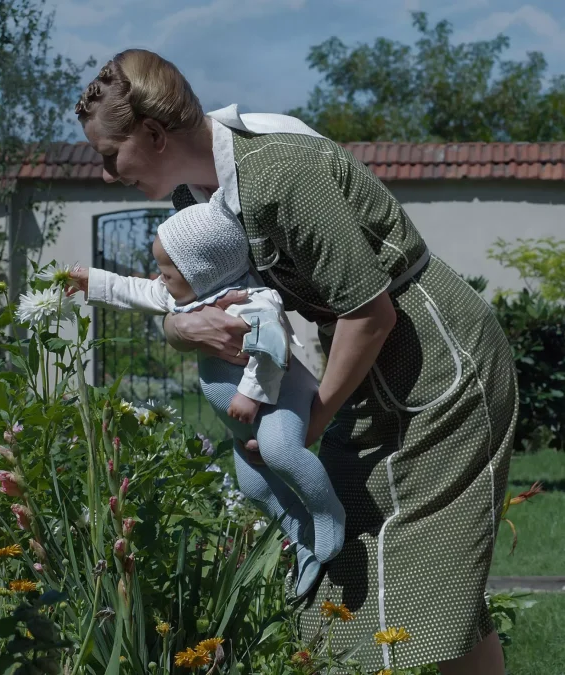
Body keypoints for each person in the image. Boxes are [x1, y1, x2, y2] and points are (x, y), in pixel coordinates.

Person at [72, 49, 519, 674]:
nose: (105, 173)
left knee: (412, 573)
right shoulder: (197, 198)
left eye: (109, 154)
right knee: (377, 570)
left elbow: (371, 314)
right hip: (368, 371)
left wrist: (312, 423)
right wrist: (180, 329)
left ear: (153, 133)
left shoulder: (279, 174)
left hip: (438, 364)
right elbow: (192, 300)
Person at [68, 188, 345, 598]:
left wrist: (250, 394)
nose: (159, 277)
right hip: (244, 422)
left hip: (278, 399)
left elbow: (273, 349)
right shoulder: (187, 296)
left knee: (281, 451)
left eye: (167, 272)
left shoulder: (252, 301)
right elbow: (136, 290)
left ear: (201, 271)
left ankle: (327, 513)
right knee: (254, 486)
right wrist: (91, 281)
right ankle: (300, 533)